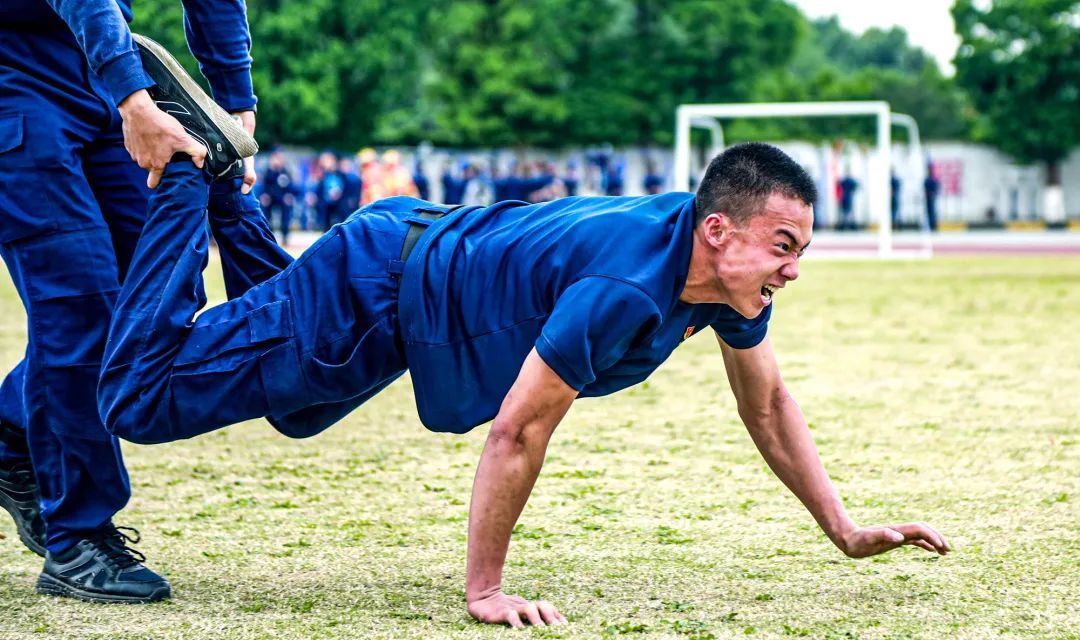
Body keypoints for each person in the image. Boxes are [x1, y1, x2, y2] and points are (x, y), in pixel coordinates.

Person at [95, 58, 952, 627]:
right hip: (375, 291)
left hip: (400, 281)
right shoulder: (626, 288)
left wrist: (843, 529)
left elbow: (767, 404)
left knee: (300, 411)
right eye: (783, 247)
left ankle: (224, 188)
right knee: (138, 399)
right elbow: (518, 430)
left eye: (800, 251)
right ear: (719, 230)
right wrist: (486, 590)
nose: (793, 270)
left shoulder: (720, 278)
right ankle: (190, 172)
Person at [0, 3, 290, 604]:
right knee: (78, 310)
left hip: (97, 76)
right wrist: (135, 99)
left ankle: (9, 429)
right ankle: (76, 538)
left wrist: (236, 103)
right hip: (15, 79)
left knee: (147, 301)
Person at [259, 149, 298, 246]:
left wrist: (289, 195)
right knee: (265, 211)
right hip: (270, 197)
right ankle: (269, 236)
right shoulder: (268, 172)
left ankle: (285, 236)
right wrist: (265, 195)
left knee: (287, 208)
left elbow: (290, 187)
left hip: (283, 198)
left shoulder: (285, 171)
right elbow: (263, 187)